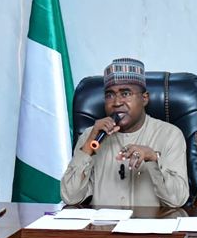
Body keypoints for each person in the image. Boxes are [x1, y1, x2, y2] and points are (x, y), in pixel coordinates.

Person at [60, 57, 189, 208]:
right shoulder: (92, 137)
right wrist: (88, 148)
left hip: (151, 223)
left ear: (144, 98)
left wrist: (153, 158)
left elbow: (177, 200)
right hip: (103, 223)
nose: (116, 102)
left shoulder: (170, 135)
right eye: (109, 95)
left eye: (125, 93)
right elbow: (70, 197)